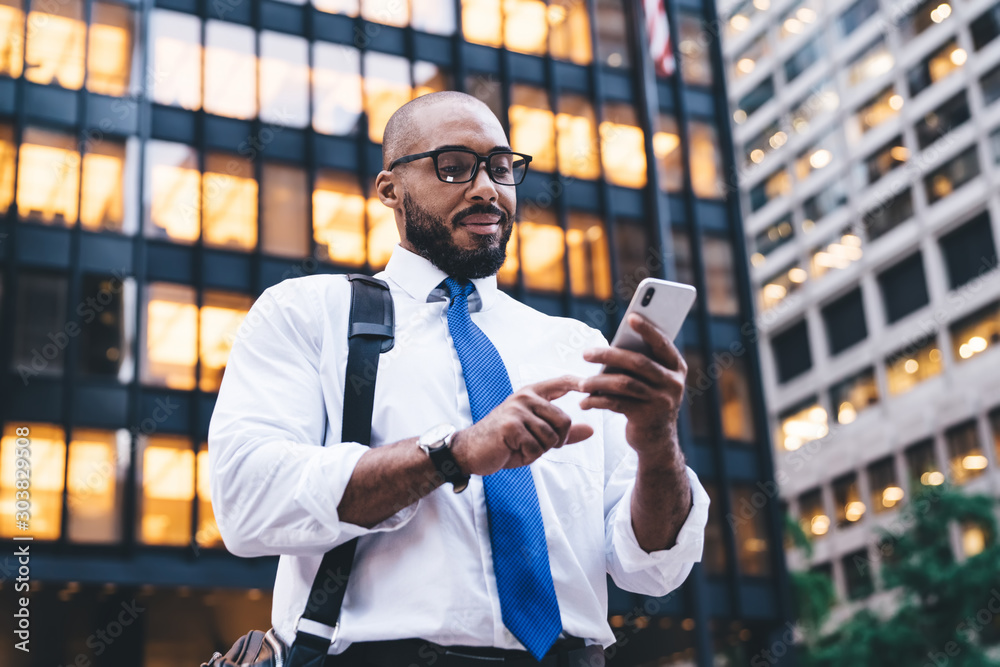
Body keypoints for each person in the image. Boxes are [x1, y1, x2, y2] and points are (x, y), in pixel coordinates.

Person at [208, 91, 709, 667]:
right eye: (453, 167)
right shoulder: (308, 311)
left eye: (500, 168)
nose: (486, 189)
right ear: (389, 188)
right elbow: (246, 500)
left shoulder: (575, 345)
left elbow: (651, 566)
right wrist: (454, 453)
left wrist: (656, 444)